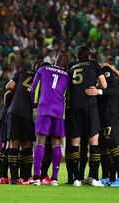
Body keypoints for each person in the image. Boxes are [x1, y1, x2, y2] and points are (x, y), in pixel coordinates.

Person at [67, 46, 107, 187]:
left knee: (75, 144)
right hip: (89, 106)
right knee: (93, 142)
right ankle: (94, 178)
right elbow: (104, 84)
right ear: (89, 55)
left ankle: (77, 179)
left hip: (74, 107)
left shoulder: (71, 66)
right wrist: (98, 91)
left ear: (77, 56)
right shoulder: (94, 64)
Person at [31, 54, 69, 186]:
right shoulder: (67, 75)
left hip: (44, 108)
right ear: (65, 65)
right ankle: (54, 179)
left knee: (40, 141)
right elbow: (68, 95)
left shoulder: (42, 70)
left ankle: (36, 177)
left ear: (54, 61)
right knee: (56, 142)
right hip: (58, 111)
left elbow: (34, 89)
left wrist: (34, 104)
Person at [5, 63, 36, 185]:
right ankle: (27, 177)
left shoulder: (22, 72)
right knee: (27, 145)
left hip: (14, 111)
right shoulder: (41, 76)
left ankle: (13, 178)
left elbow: (9, 86)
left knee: (14, 144)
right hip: (28, 113)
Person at [0, 90, 13, 184]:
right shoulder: (16, 93)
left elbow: (6, 96)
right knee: (9, 146)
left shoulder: (9, 93)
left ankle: (2, 176)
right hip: (9, 117)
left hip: (3, 115)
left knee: (4, 146)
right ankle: (6, 176)